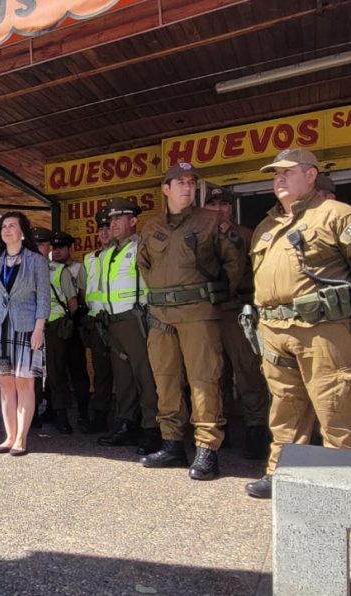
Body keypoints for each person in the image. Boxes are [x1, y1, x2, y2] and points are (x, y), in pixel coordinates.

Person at [245, 148, 351, 499]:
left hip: (322, 330)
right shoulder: (266, 225)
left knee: (335, 405)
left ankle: (342, 484)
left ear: (310, 175)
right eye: (275, 173)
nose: (278, 178)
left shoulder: (335, 214)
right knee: (285, 407)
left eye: (287, 172)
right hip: (275, 331)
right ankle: (280, 475)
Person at [138, 163, 243, 480]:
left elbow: (235, 265)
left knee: (203, 381)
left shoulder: (212, 222)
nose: (186, 187)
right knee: (165, 380)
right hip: (160, 317)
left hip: (199, 314)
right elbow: (145, 265)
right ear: (165, 188)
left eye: (190, 182)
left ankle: (207, 449)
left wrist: (216, 299)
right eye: (179, 182)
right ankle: (172, 444)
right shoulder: (151, 225)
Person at [203, 186, 271, 460]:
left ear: (232, 208)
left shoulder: (246, 234)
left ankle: (255, 429)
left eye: (224, 204)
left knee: (247, 373)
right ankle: (222, 428)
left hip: (237, 311)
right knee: (214, 375)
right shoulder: (200, 236)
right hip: (208, 314)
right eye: (213, 203)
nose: (219, 208)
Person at [0, 212, 50, 455]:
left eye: (12, 226)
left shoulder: (36, 261)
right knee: (5, 383)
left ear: (22, 232)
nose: (7, 229)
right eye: (4, 226)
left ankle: (21, 438)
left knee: (24, 383)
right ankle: (9, 437)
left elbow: (43, 299)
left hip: (26, 327)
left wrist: (39, 328)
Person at [96, 198, 160, 455]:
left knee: (145, 376)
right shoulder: (109, 252)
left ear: (133, 221)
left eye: (118, 219)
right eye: (110, 221)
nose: (112, 225)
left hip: (136, 320)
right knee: (123, 378)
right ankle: (126, 424)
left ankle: (152, 428)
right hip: (112, 322)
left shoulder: (142, 246)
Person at [34, 228, 80, 433]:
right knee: (31, 372)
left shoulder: (60, 270)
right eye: (34, 245)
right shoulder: (25, 269)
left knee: (56, 371)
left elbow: (72, 302)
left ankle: (61, 415)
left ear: (49, 247)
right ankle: (32, 414)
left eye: (42, 244)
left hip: (54, 325)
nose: (38, 248)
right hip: (31, 326)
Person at [49, 231, 93, 432]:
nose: (57, 251)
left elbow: (83, 294)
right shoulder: (51, 270)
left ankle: (84, 413)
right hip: (57, 326)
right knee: (57, 371)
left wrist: (78, 318)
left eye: (61, 247)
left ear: (70, 248)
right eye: (54, 248)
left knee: (78, 371)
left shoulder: (77, 268)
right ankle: (59, 413)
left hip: (75, 325)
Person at [82, 209, 114, 433]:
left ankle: (130, 419)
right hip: (97, 321)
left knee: (128, 373)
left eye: (107, 228)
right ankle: (101, 417)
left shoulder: (125, 253)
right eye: (100, 229)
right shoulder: (90, 258)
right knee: (101, 372)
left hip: (120, 319)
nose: (103, 233)